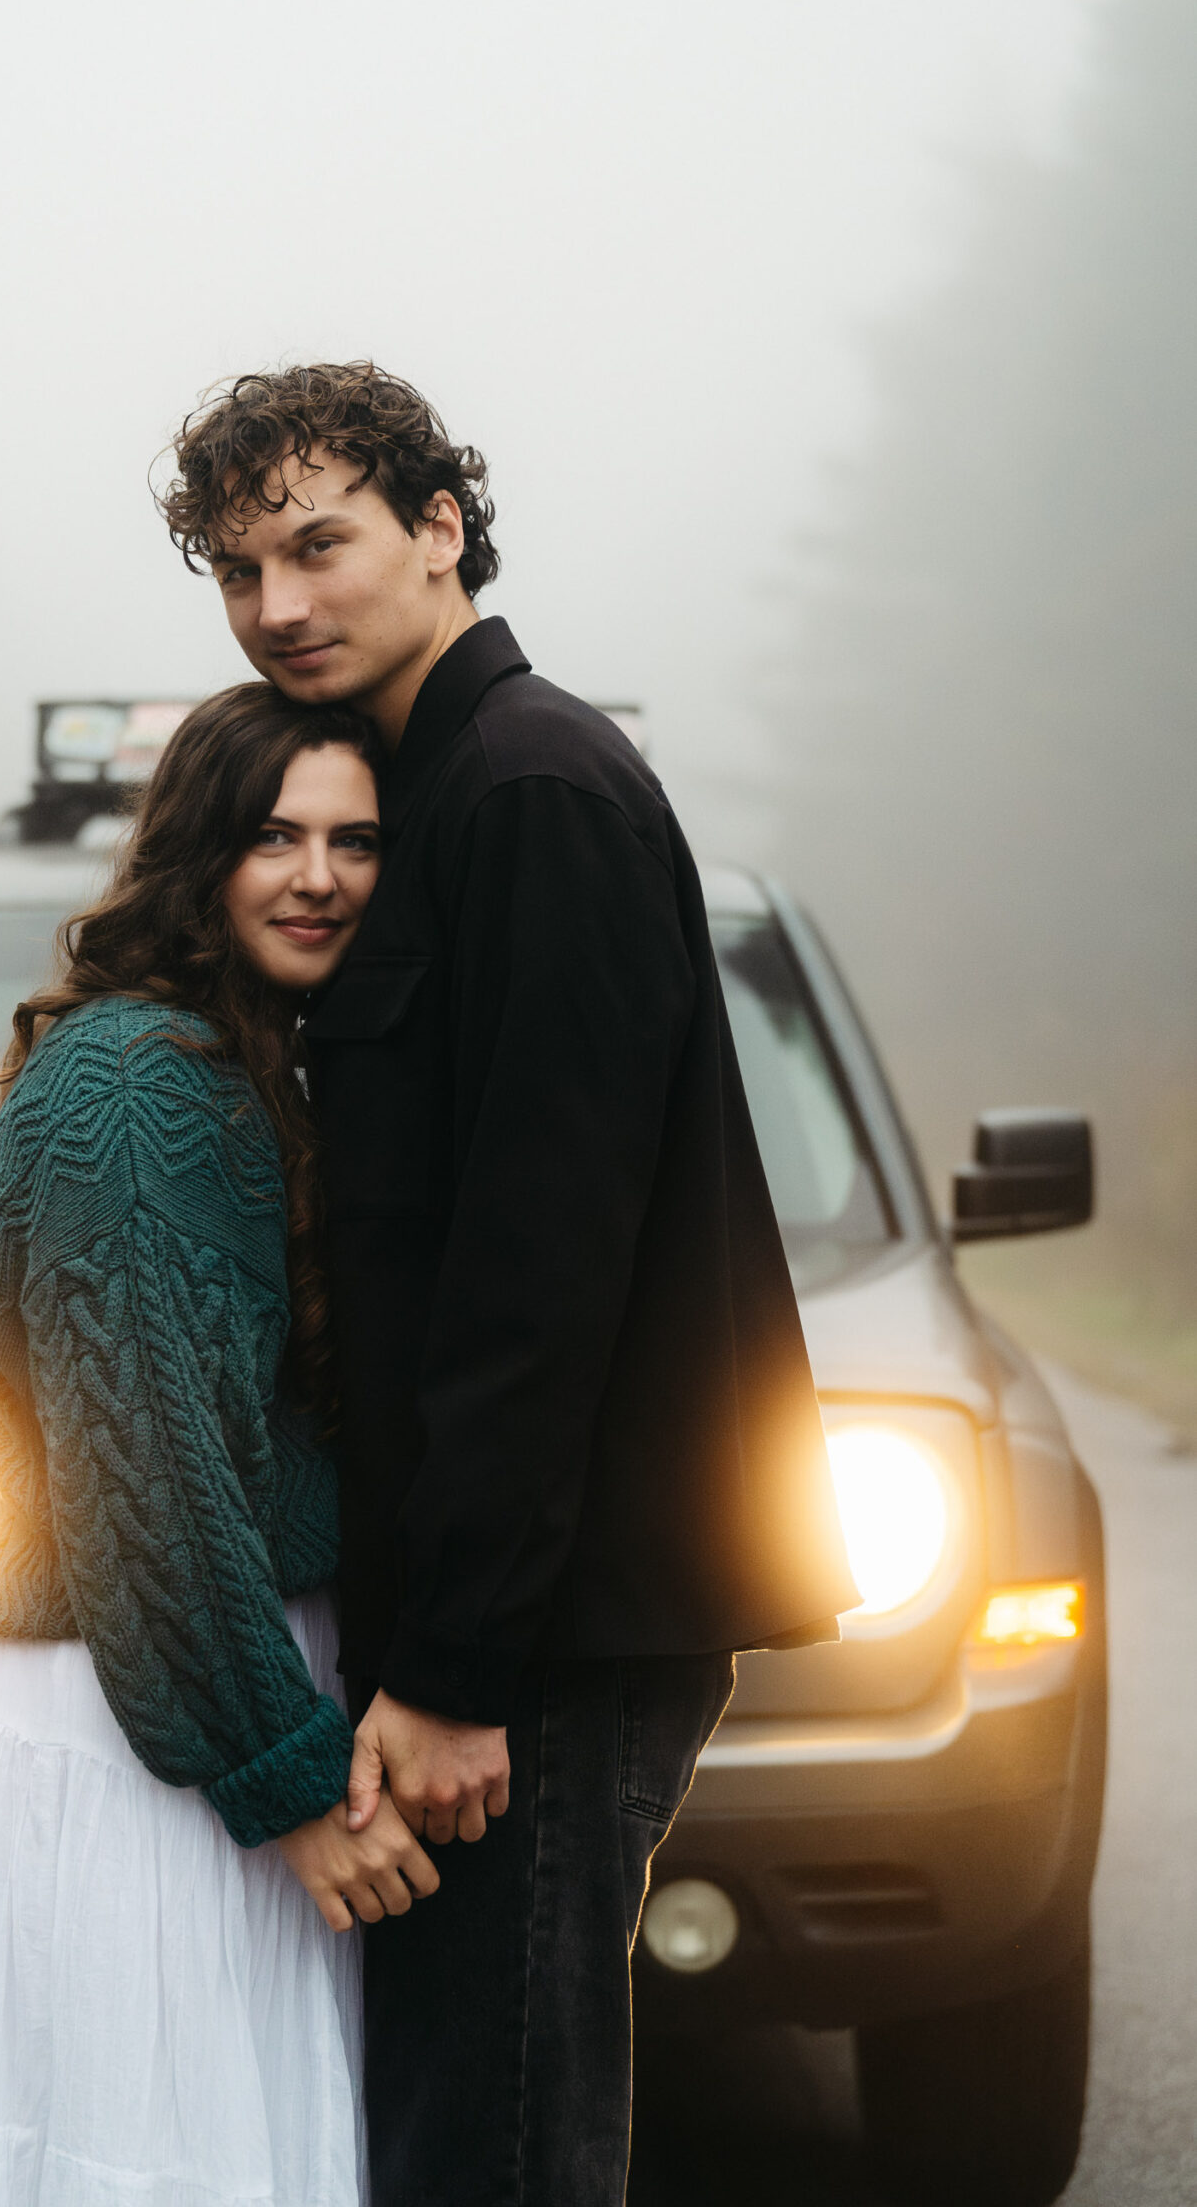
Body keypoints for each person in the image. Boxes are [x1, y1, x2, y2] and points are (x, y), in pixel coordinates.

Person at [160, 360, 860, 2204]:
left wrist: (459, 1669)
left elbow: (538, 1274)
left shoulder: (530, 788)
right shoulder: (422, 792)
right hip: (493, 1625)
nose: (279, 604)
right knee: (448, 2128)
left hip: (544, 1641)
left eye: (319, 545)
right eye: (238, 571)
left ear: (440, 526)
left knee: (500, 2144)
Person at [0, 684, 438, 2207]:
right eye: (275, 836)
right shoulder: (144, 1091)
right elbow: (149, 1484)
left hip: (172, 1723)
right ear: (197, 854)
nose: (319, 877)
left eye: (357, 842)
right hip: (125, 1748)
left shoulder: (243, 1065)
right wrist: (288, 1779)